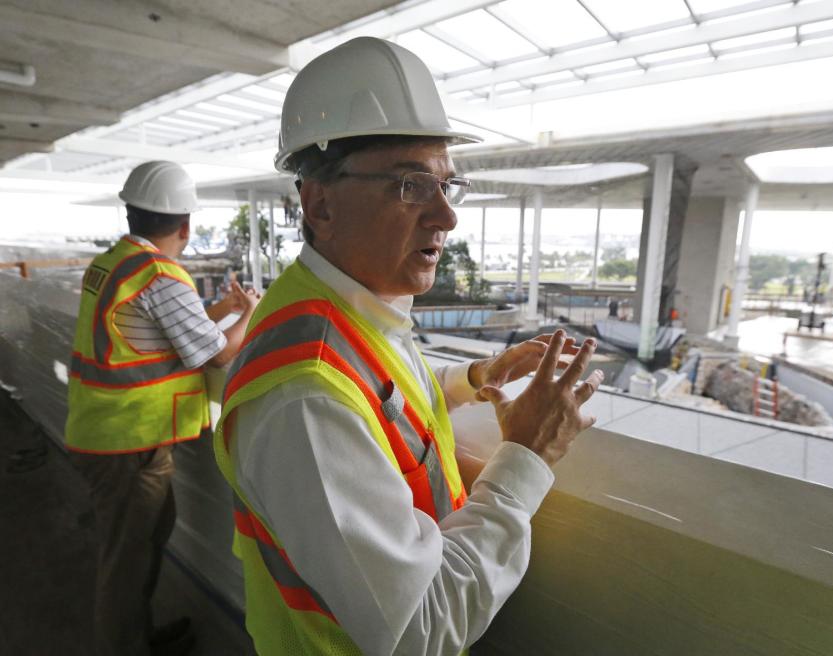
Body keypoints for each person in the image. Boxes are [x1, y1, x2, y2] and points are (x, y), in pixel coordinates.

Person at [213, 37, 603, 655]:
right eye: (410, 186)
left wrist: (477, 377)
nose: (446, 217)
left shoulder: (341, 309)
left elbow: (383, 395)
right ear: (320, 205)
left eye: (450, 186)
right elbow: (421, 630)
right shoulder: (304, 397)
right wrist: (525, 456)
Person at [65, 160, 259, 656]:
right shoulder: (159, 274)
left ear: (131, 214)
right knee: (126, 562)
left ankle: (137, 637)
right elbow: (220, 353)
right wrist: (252, 315)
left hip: (110, 436)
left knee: (141, 547)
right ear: (185, 225)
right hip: (128, 444)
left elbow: (164, 326)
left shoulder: (114, 263)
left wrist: (224, 310)